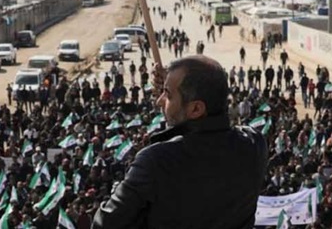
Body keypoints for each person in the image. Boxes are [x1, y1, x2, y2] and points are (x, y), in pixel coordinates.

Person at [93, 55, 267, 228]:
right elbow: (215, 120)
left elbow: (104, 224)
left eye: (167, 95)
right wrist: (175, 87)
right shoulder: (254, 146)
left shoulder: (155, 162)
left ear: (196, 108)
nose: (159, 101)